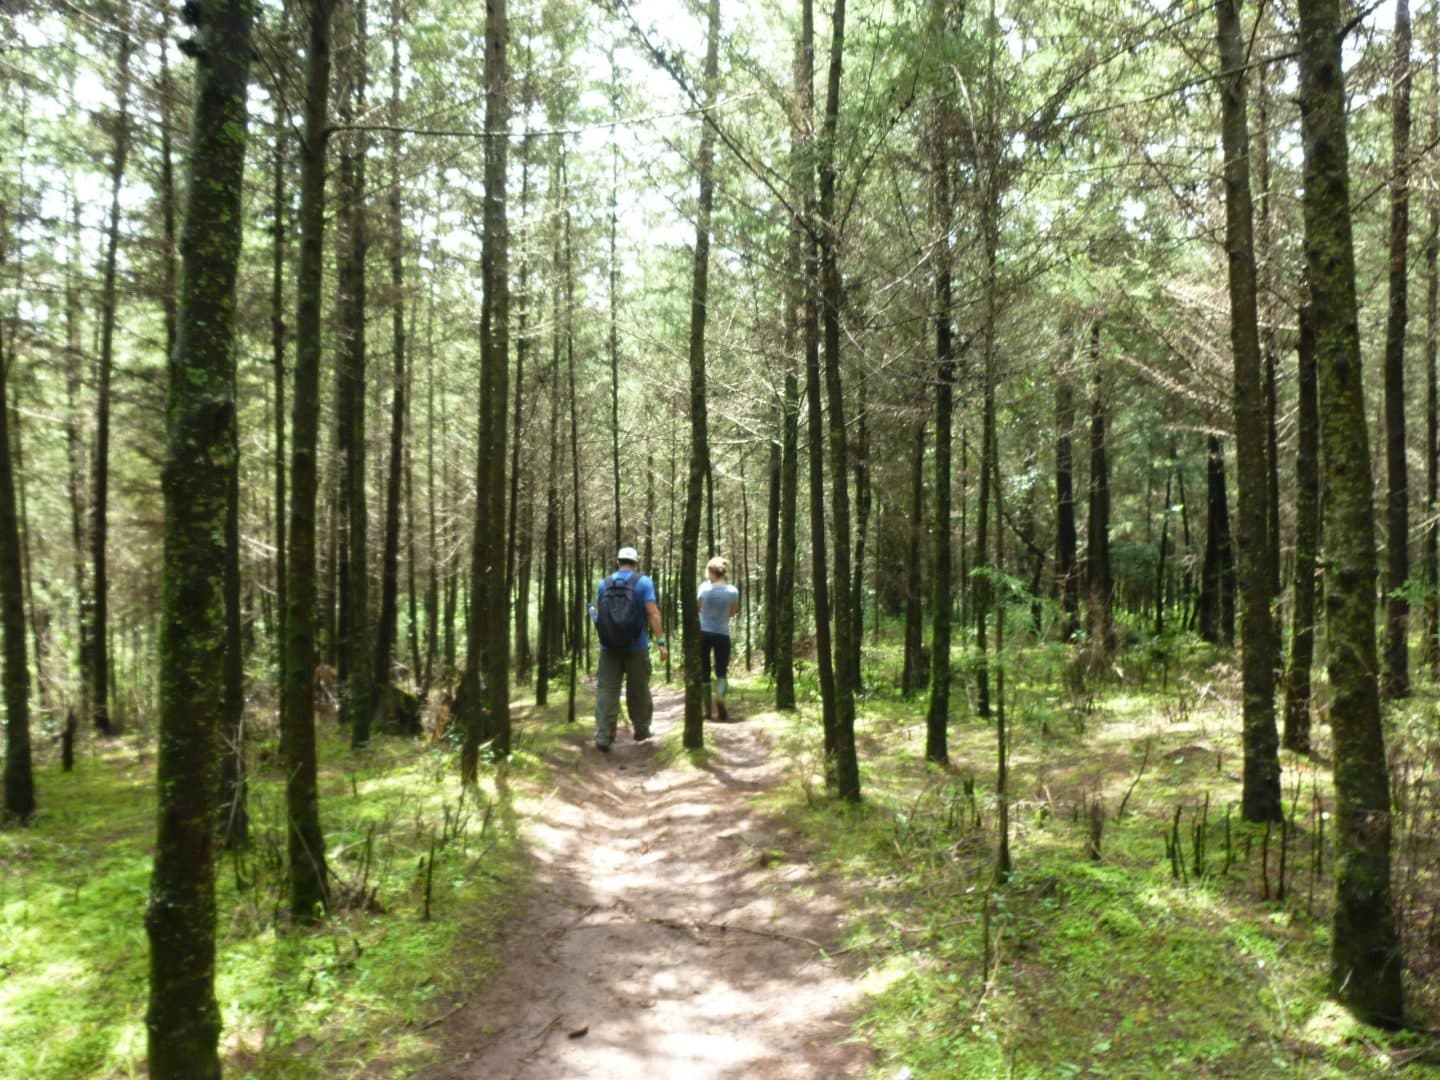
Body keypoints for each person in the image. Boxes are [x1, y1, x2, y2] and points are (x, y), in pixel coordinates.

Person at [592, 546, 667, 751]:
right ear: (636, 563)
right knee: (639, 689)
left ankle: (603, 736)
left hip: (608, 648)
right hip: (637, 646)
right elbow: (652, 613)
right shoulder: (643, 582)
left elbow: (602, 616)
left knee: (607, 690)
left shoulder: (604, 584)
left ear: (618, 562)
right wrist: (661, 643)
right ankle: (642, 729)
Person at [697, 556, 740, 721]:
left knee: (705, 671)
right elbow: (734, 611)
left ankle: (707, 710)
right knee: (722, 670)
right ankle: (720, 697)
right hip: (723, 633)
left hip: (704, 632)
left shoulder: (704, 589)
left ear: (710, 572)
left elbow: (698, 607)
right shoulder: (732, 591)